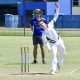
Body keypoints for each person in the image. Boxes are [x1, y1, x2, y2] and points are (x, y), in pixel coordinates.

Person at [39, 3, 66, 75]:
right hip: (52, 44)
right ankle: (53, 69)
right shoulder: (43, 34)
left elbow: (55, 16)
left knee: (63, 53)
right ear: (41, 27)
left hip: (59, 41)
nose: (42, 25)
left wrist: (57, 8)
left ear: (45, 24)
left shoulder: (50, 24)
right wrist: (48, 48)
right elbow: (46, 42)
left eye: (43, 24)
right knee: (54, 55)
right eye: (41, 25)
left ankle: (59, 64)